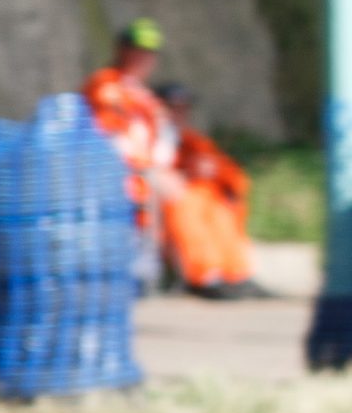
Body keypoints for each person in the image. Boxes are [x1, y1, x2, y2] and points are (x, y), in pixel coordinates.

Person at [80, 19, 263, 299]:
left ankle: (235, 272)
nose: (143, 58)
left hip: (152, 171)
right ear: (122, 50)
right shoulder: (107, 85)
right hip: (123, 172)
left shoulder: (143, 96)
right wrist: (151, 169)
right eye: (137, 50)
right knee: (182, 197)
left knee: (212, 196)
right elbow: (113, 138)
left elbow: (165, 145)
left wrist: (196, 169)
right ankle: (203, 275)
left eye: (150, 53)